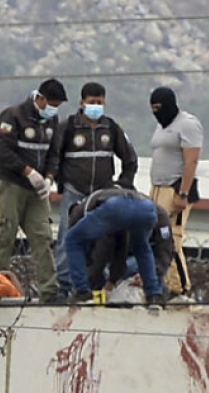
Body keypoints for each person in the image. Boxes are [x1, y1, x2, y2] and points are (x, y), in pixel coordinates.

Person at [53, 81, 138, 294]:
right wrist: (59, 183)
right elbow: (54, 157)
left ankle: (95, 283)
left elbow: (130, 159)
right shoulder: (68, 127)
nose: (96, 106)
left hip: (101, 195)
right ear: (82, 103)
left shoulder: (111, 128)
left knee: (102, 240)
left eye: (100, 102)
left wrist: (122, 184)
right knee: (67, 238)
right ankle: (64, 286)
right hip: (74, 193)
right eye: (92, 102)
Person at [0, 78, 66, 303]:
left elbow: (54, 154)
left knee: (42, 237)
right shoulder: (12, 116)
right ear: (39, 98)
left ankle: (49, 290)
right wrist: (28, 172)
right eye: (51, 103)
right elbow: (3, 152)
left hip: (37, 191)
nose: (53, 109)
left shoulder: (52, 122)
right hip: (11, 185)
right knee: (6, 233)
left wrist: (48, 178)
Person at [63, 187, 165, 305]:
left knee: (72, 239)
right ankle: (154, 294)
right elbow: (120, 247)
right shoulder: (103, 199)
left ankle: (81, 291)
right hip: (147, 208)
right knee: (142, 248)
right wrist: (113, 278)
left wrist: (90, 279)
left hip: (116, 207)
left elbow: (94, 249)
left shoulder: (80, 211)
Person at [148, 86, 202, 299]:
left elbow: (191, 161)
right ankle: (164, 283)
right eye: (153, 109)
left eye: (159, 108)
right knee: (157, 237)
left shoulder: (188, 124)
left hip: (175, 189)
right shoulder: (161, 126)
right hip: (157, 188)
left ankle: (181, 286)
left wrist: (183, 193)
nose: (156, 112)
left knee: (172, 238)